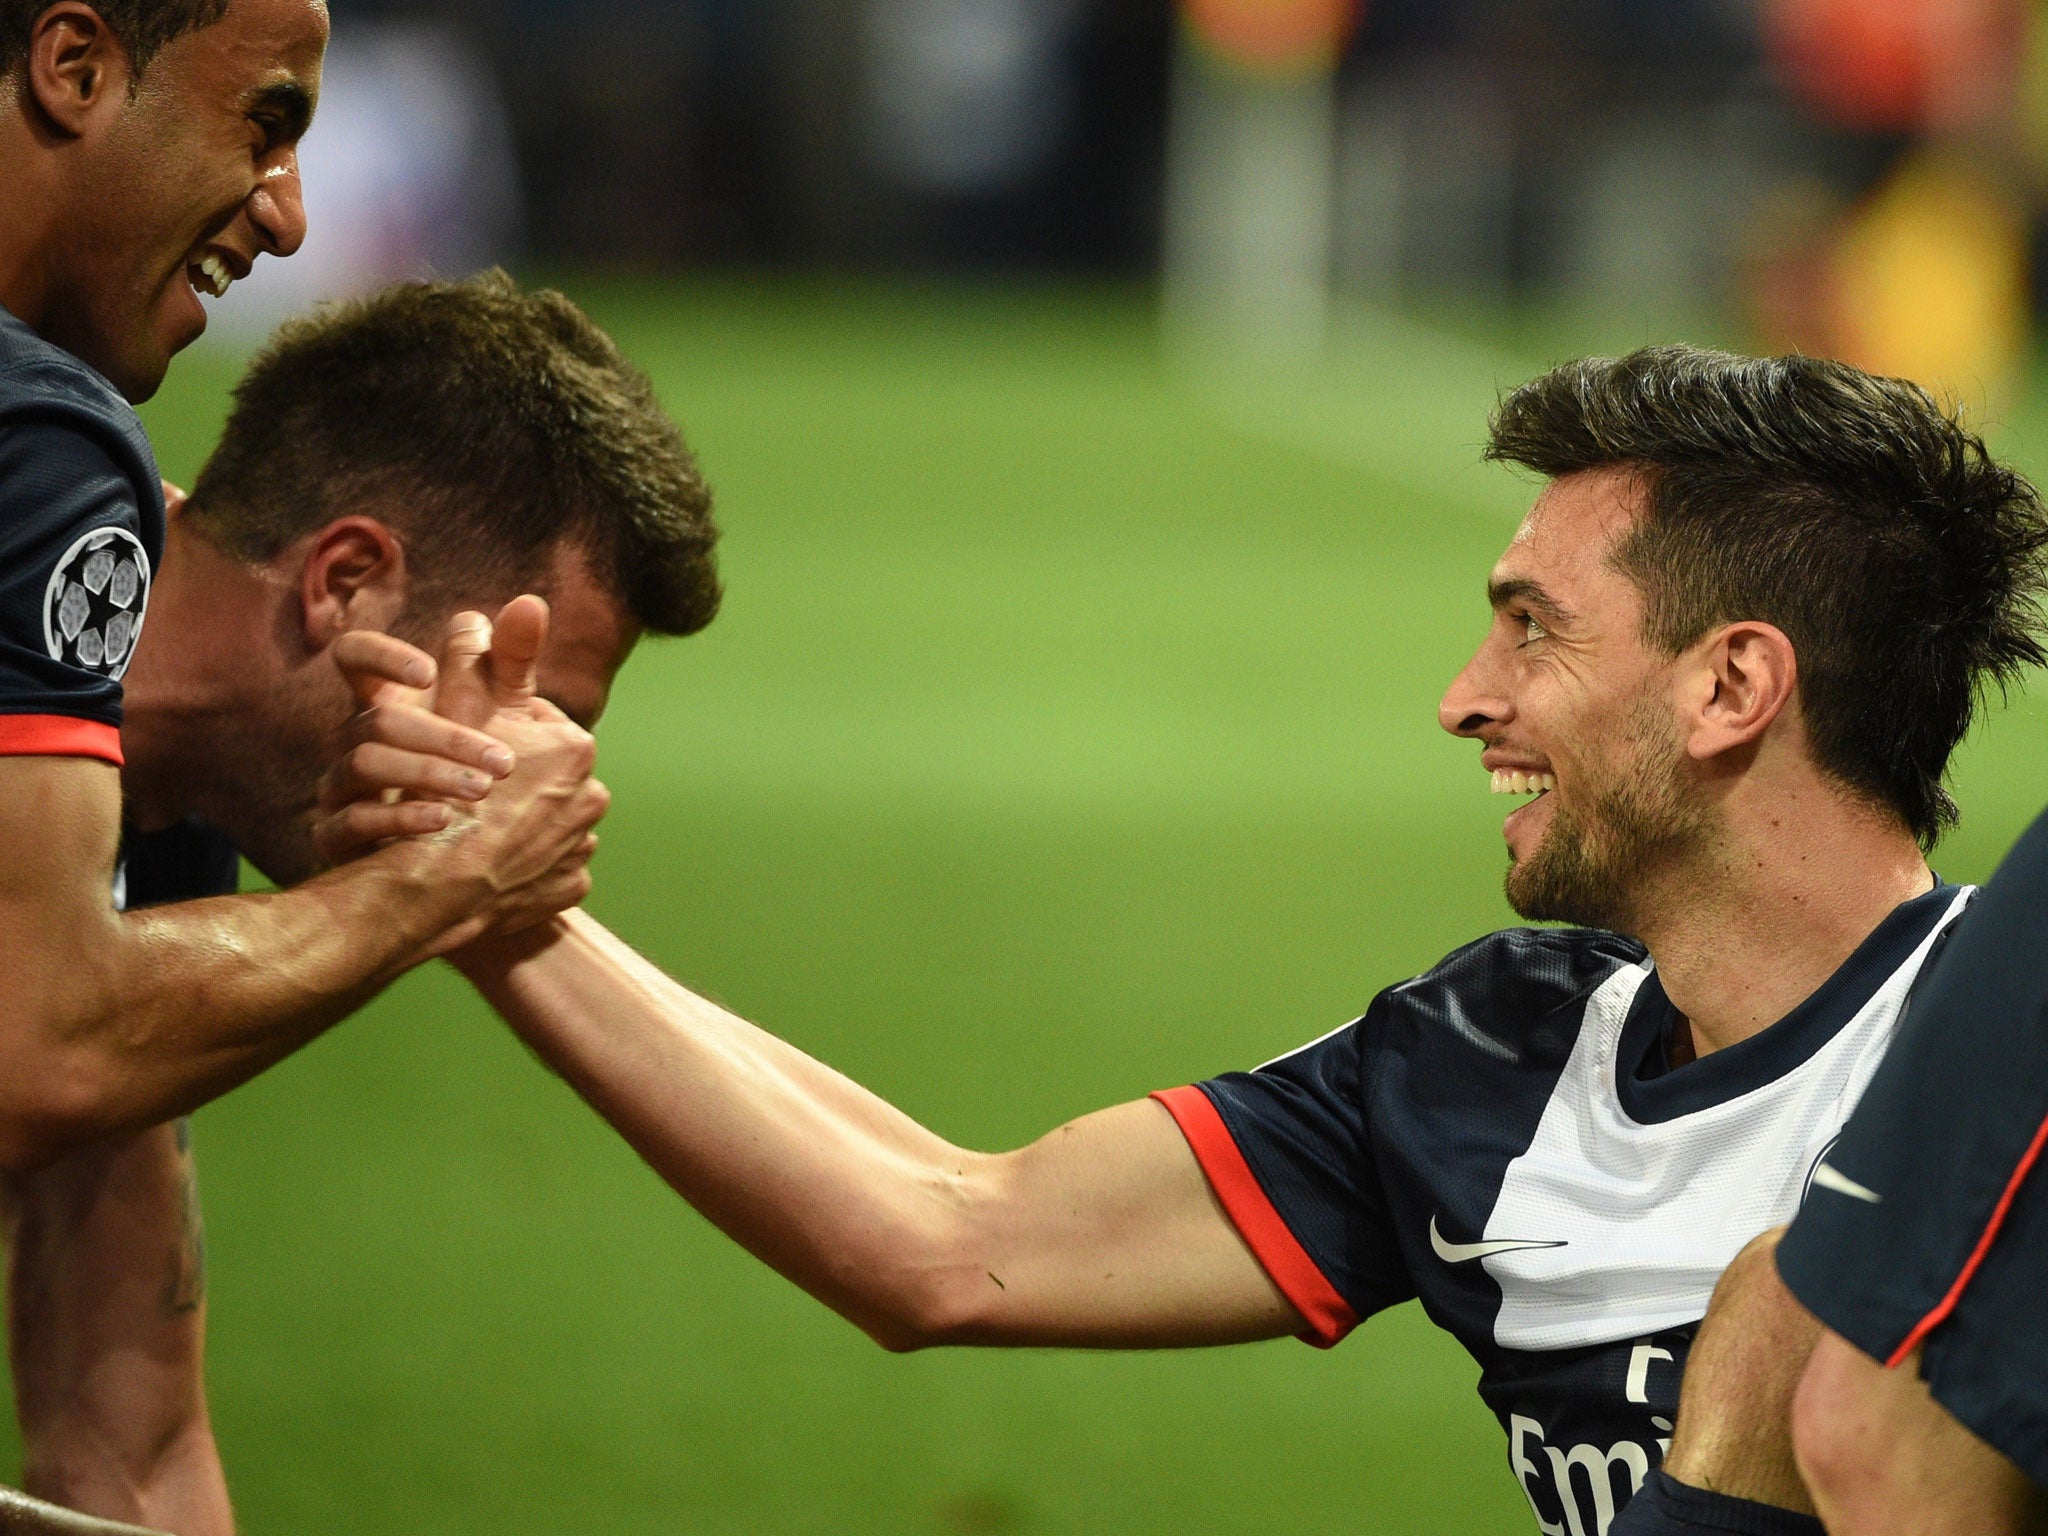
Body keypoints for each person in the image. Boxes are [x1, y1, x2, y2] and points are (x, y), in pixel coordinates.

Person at [338, 345, 2047, 1536]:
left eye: (1535, 632)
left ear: (1733, 686)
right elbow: (947, 1239)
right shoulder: (1494, 1060)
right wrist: (486, 901)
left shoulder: (2010, 1077)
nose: (1466, 700)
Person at [0, 0, 615, 1514]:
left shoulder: (136, 767)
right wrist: (451, 881)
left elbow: (129, 1441)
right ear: (75, 69)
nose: (287, 216)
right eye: (265, 124)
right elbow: (33, 1039)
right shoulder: (46, 449)